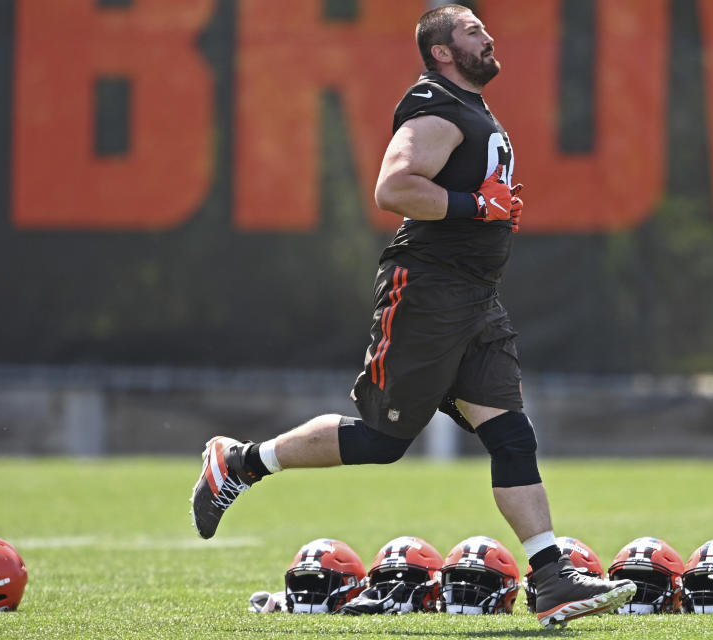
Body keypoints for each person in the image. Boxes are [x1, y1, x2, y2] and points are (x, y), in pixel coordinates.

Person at [190, 4, 635, 627]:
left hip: (474, 297)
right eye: (473, 30)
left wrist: (481, 207)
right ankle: (239, 463)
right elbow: (394, 187)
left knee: (511, 435)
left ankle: (550, 578)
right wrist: (476, 204)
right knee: (380, 439)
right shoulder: (437, 108)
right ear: (443, 51)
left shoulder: (471, 109)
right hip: (428, 291)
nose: (488, 36)